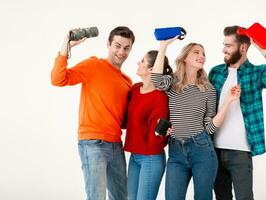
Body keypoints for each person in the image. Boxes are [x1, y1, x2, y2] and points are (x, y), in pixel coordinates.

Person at [208, 25, 266, 200]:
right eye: (223, 44)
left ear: (243, 48)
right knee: (221, 197)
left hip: (240, 152)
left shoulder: (257, 72)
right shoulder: (215, 72)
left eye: (228, 45)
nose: (223, 49)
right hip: (213, 150)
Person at [151, 37, 241, 200]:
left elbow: (210, 127)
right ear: (184, 58)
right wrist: (163, 45)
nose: (202, 56)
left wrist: (228, 102)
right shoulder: (172, 82)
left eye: (203, 54)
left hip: (202, 150)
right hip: (176, 150)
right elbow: (156, 80)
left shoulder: (208, 89)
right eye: (196, 52)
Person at [51, 26, 135, 200]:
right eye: (117, 45)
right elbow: (58, 79)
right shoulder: (94, 65)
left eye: (126, 48)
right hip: (92, 143)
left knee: (121, 197)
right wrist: (66, 45)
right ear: (108, 44)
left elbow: (124, 121)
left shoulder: (127, 82)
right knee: (96, 196)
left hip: (116, 145)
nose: (121, 52)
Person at [124, 50, 172, 200]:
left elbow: (156, 138)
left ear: (152, 69)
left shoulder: (160, 97)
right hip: (135, 155)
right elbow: (126, 121)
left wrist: (160, 132)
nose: (138, 63)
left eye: (142, 61)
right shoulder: (135, 89)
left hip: (151, 157)